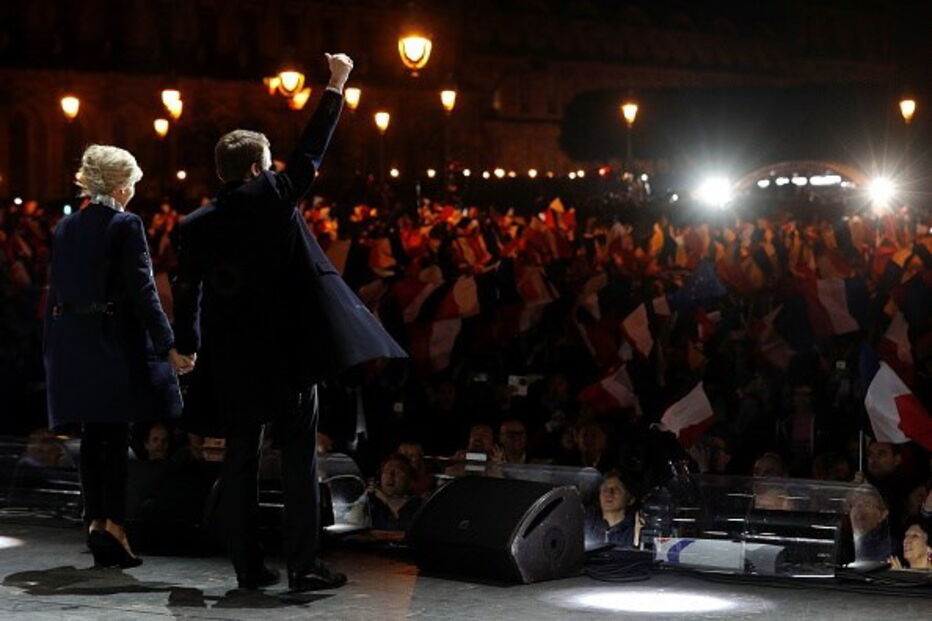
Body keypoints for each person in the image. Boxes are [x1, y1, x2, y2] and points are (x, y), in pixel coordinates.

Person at [172, 53, 405, 592]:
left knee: (239, 463)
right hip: (287, 358)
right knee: (299, 459)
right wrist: (336, 84)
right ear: (257, 168)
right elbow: (312, 149)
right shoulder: (275, 195)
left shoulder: (195, 225)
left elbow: (187, 293)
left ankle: (247, 567)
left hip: (231, 361)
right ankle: (304, 564)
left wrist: (185, 346)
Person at [44, 145, 193, 569]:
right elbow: (144, 291)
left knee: (94, 437)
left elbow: (56, 291)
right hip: (111, 343)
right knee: (115, 437)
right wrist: (169, 345)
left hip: (73, 343)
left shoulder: (67, 227)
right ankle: (114, 526)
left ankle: (95, 522)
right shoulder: (126, 224)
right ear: (120, 184)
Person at [367, 454, 423, 531]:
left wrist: (386, 500)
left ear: (410, 482)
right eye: (386, 471)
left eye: (398, 472)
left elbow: (406, 531)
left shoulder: (419, 505)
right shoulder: (372, 502)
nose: (390, 475)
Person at [584, 471, 639, 549]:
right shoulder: (586, 526)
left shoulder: (635, 530)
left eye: (617, 489)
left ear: (630, 499)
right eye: (605, 489)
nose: (609, 493)